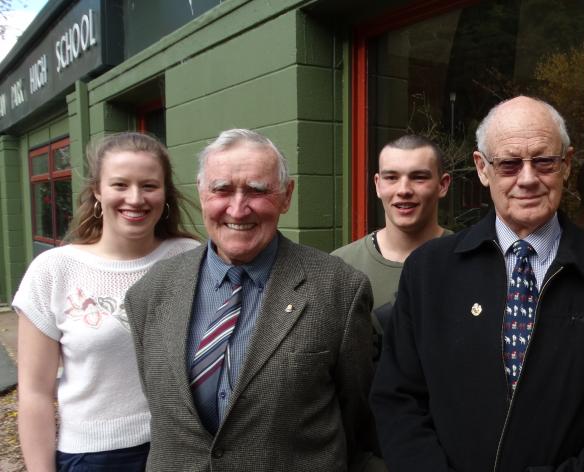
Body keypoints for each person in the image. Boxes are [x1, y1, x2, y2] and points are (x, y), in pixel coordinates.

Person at [371, 96, 584, 471]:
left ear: (567, 165)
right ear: (482, 169)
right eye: (509, 164)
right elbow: (398, 400)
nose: (527, 179)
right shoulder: (428, 273)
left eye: (544, 161)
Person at [124, 129, 380, 470]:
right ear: (201, 193)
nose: (238, 208)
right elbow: (163, 413)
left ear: (286, 196)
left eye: (257, 191)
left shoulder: (339, 291)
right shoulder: (151, 292)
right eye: (222, 190)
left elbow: (358, 421)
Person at [14, 132, 200, 471]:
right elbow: (35, 394)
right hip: (93, 457)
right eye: (119, 184)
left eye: (148, 185)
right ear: (97, 191)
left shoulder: (191, 258)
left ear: (165, 193)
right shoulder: (54, 271)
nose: (135, 198)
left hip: (182, 448)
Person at [332, 134, 451, 337]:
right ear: (378, 185)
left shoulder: (469, 260)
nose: (403, 190)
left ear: (443, 185)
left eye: (418, 177)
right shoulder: (341, 267)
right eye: (391, 178)